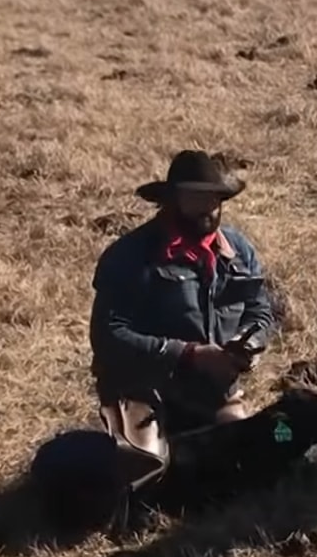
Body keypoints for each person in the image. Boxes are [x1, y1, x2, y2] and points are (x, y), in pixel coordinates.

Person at [89, 150, 276, 488]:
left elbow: (260, 310)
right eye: (196, 198)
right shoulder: (129, 257)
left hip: (212, 392)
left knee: (247, 458)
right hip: (143, 390)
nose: (209, 208)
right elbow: (109, 336)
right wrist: (189, 354)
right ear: (171, 200)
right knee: (143, 473)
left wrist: (249, 344)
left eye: (216, 199)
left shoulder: (238, 250)